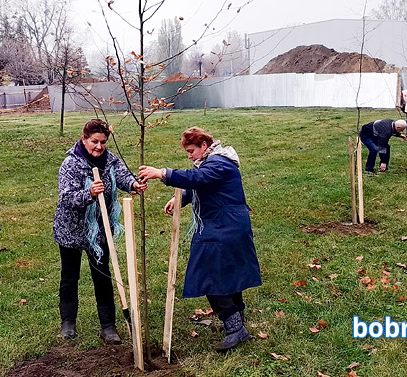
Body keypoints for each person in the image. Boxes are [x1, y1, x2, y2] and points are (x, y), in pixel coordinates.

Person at [138, 127, 261, 352]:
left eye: (191, 150)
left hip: (225, 227)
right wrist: (181, 198)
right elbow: (203, 185)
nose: (189, 155)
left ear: (204, 146)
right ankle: (236, 324)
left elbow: (200, 178)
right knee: (228, 274)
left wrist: (163, 173)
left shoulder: (219, 163)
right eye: (187, 152)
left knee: (207, 276)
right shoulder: (214, 162)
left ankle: (236, 328)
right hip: (226, 225)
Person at [53, 119, 146, 344]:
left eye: (103, 142)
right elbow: (66, 198)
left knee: (102, 275)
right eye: (94, 141)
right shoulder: (71, 164)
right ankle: (68, 323)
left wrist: (134, 184)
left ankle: (108, 327)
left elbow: (123, 176)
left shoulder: (110, 160)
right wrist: (89, 194)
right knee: (69, 276)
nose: (99, 146)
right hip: (71, 230)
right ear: (84, 139)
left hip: (100, 231)